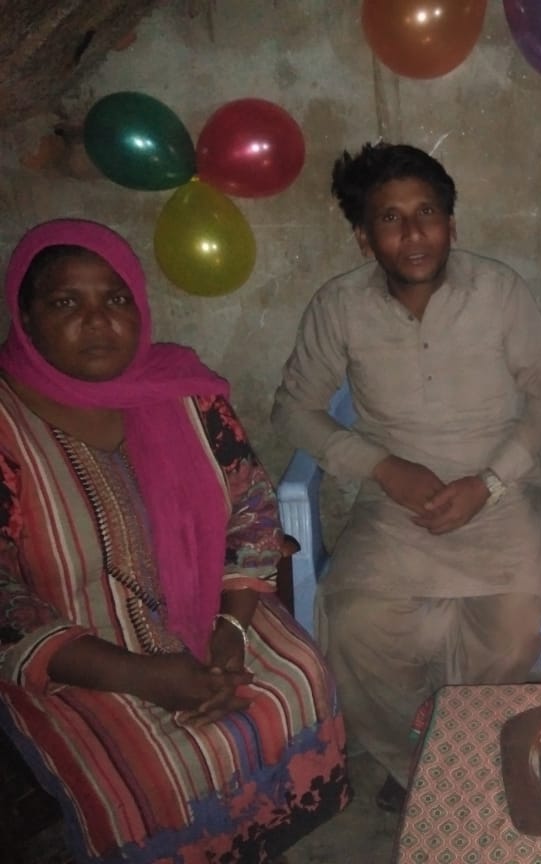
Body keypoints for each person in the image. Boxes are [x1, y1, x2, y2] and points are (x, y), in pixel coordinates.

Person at [0, 219, 349, 863]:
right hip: (81, 647)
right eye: (66, 302)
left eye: (116, 298)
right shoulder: (7, 427)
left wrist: (232, 629)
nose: (98, 320)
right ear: (23, 315)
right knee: (150, 766)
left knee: (298, 676)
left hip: (208, 610)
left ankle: (259, 841)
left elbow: (251, 508)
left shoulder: (186, 392)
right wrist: (143, 675)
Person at [272, 143, 541, 810]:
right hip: (396, 508)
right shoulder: (339, 306)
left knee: (515, 623)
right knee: (356, 620)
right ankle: (414, 766)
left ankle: (474, 744)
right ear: (363, 235)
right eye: (391, 218)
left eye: (427, 213)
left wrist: (488, 482)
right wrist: (380, 467)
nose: (413, 234)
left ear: (452, 224)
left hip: (500, 495)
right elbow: (294, 409)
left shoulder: (499, 292)